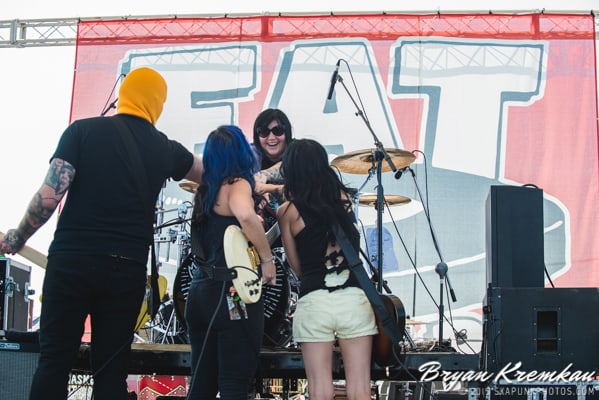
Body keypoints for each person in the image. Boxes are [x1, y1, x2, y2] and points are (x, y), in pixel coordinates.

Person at [0, 66, 203, 400]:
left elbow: (49, 197)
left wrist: (19, 236)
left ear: (125, 95)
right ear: (157, 102)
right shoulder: (165, 149)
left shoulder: (82, 131)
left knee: (54, 362)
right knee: (111, 371)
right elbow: (209, 173)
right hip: (126, 270)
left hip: (72, 262)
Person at [277, 139, 377, 400]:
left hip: (315, 301)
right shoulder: (344, 200)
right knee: (360, 386)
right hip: (353, 299)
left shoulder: (287, 212)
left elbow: (297, 267)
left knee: (319, 386)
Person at [185, 125, 276, 400]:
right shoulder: (238, 184)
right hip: (232, 297)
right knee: (234, 384)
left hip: (200, 293)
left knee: (202, 384)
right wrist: (267, 259)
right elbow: (246, 216)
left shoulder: (205, 191)